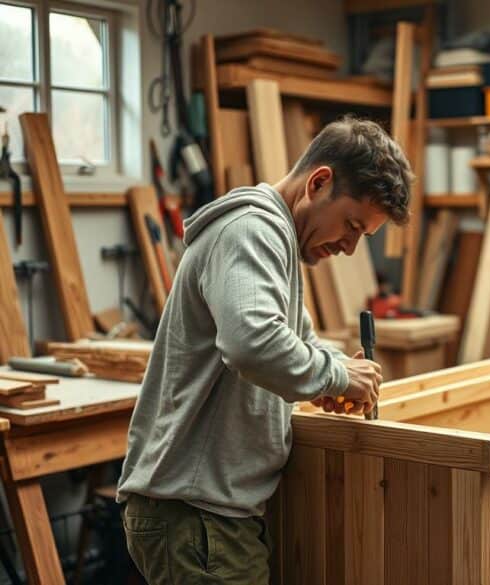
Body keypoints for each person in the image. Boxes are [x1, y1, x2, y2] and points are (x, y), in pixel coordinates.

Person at [117, 116, 413, 584]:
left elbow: (298, 340)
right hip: (196, 513)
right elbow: (252, 343)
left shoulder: (276, 240)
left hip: (210, 513)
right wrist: (336, 376)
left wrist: (336, 369)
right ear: (319, 182)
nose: (350, 248)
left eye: (364, 236)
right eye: (351, 225)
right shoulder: (252, 231)